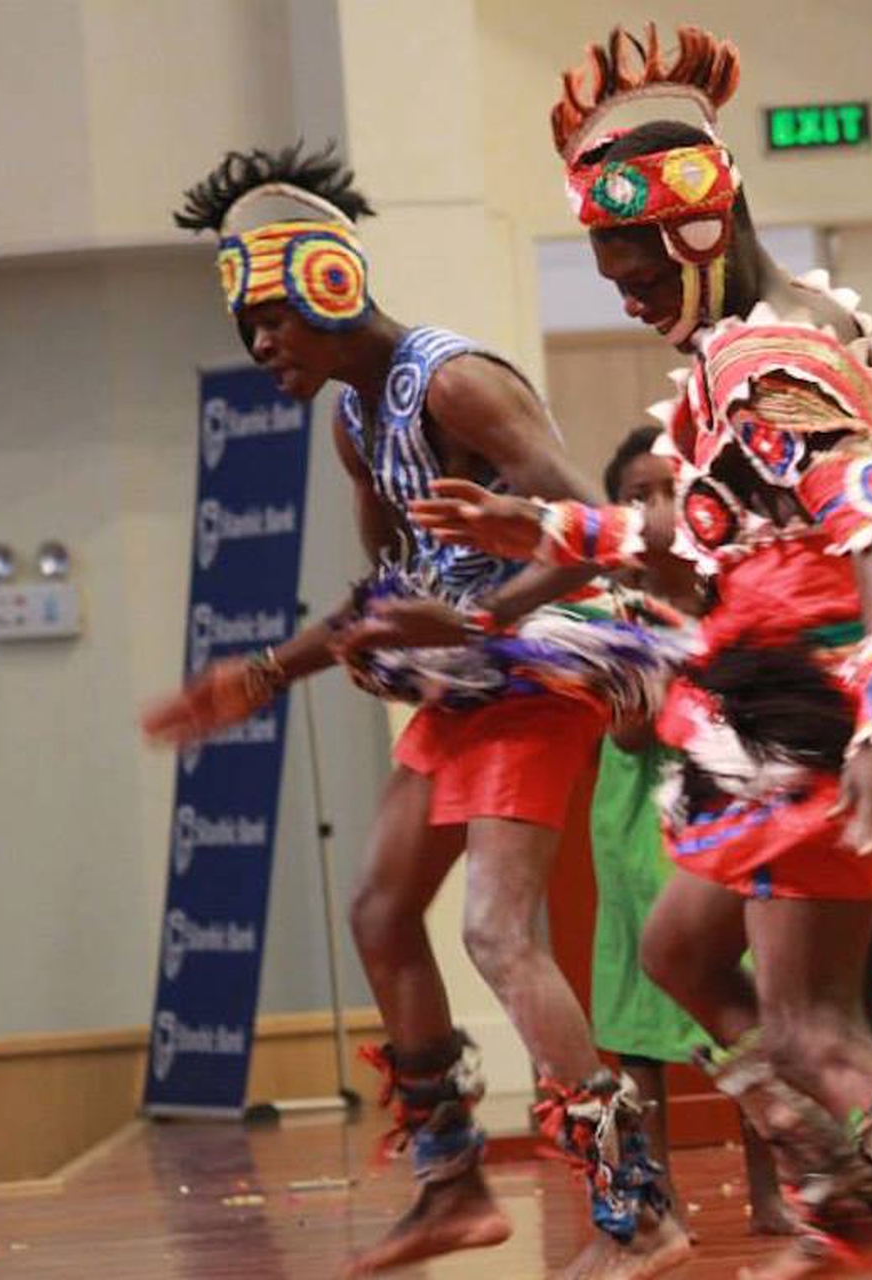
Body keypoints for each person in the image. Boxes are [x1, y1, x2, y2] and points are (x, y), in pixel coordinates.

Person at [412, 24, 872, 1280]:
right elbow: (722, 538)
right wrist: (546, 524)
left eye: (635, 257)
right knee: (677, 951)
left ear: (698, 231)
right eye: (607, 261)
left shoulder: (769, 356)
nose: (623, 287)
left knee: (816, 1022)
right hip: (768, 703)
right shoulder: (743, 344)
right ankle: (836, 1174)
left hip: (815, 710)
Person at [140, 142, 690, 1278]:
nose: (259, 348)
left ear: (326, 284)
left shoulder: (456, 383)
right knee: (383, 912)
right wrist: (256, 675)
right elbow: (385, 602)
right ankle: (453, 1182)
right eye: (246, 330)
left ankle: (640, 1207)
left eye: (268, 322)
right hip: (469, 686)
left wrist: (480, 627)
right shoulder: (356, 424)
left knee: (495, 929)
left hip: (535, 677)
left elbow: (593, 535)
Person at [588, 427, 793, 1239]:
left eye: (668, 489)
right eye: (636, 495)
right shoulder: (616, 607)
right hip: (640, 804)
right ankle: (655, 1189)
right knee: (641, 1006)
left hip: (715, 800)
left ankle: (773, 1187)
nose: (656, 508)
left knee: (734, 988)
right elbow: (631, 733)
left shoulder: (733, 586)